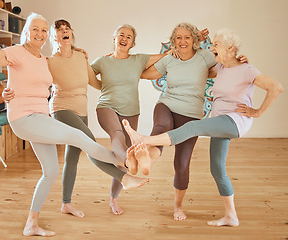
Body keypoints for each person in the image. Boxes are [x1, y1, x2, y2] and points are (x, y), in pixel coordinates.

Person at [0, 13, 149, 237]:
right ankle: (126, 168)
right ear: (26, 33)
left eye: (42, 30)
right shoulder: (16, 52)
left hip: (41, 118)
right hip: (24, 118)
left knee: (50, 172)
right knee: (79, 137)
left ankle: (31, 224)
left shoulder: (44, 60)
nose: (39, 34)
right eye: (35, 29)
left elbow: (41, 82)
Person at [122, 28, 283, 227]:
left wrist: (257, 112)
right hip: (219, 120)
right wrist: (178, 51)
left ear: (230, 47)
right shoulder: (221, 68)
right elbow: (195, 67)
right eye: (212, 44)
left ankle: (143, 140)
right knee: (217, 168)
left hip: (234, 121)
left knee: (193, 127)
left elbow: (276, 87)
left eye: (216, 44)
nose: (212, 47)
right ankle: (231, 216)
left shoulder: (247, 69)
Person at [3, 19, 137, 217]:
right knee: (89, 142)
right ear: (53, 36)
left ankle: (66, 203)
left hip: (81, 111)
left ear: (71, 34)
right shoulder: (49, 61)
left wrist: (120, 74)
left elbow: (98, 84)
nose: (64, 32)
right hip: (61, 109)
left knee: (72, 157)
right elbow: (31, 80)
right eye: (59, 30)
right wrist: (8, 94)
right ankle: (123, 171)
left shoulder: (81, 57)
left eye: (67, 29)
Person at [89, 24, 209, 214]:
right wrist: (103, 87)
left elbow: (171, 55)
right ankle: (133, 166)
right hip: (110, 106)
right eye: (121, 35)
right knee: (119, 137)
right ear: (114, 38)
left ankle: (115, 198)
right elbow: (88, 74)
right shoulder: (102, 61)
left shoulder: (139, 60)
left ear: (133, 43)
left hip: (133, 111)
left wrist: (190, 44)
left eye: (129, 37)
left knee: (129, 153)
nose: (124, 38)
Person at [137, 22, 248, 221]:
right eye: (178, 37)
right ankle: (147, 161)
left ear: (194, 40)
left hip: (191, 114)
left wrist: (240, 60)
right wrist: (165, 55)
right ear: (173, 41)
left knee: (182, 163)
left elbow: (225, 66)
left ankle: (177, 207)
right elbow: (145, 74)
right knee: (160, 128)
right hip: (167, 105)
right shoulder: (170, 59)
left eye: (187, 37)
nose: (182, 41)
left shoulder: (205, 57)